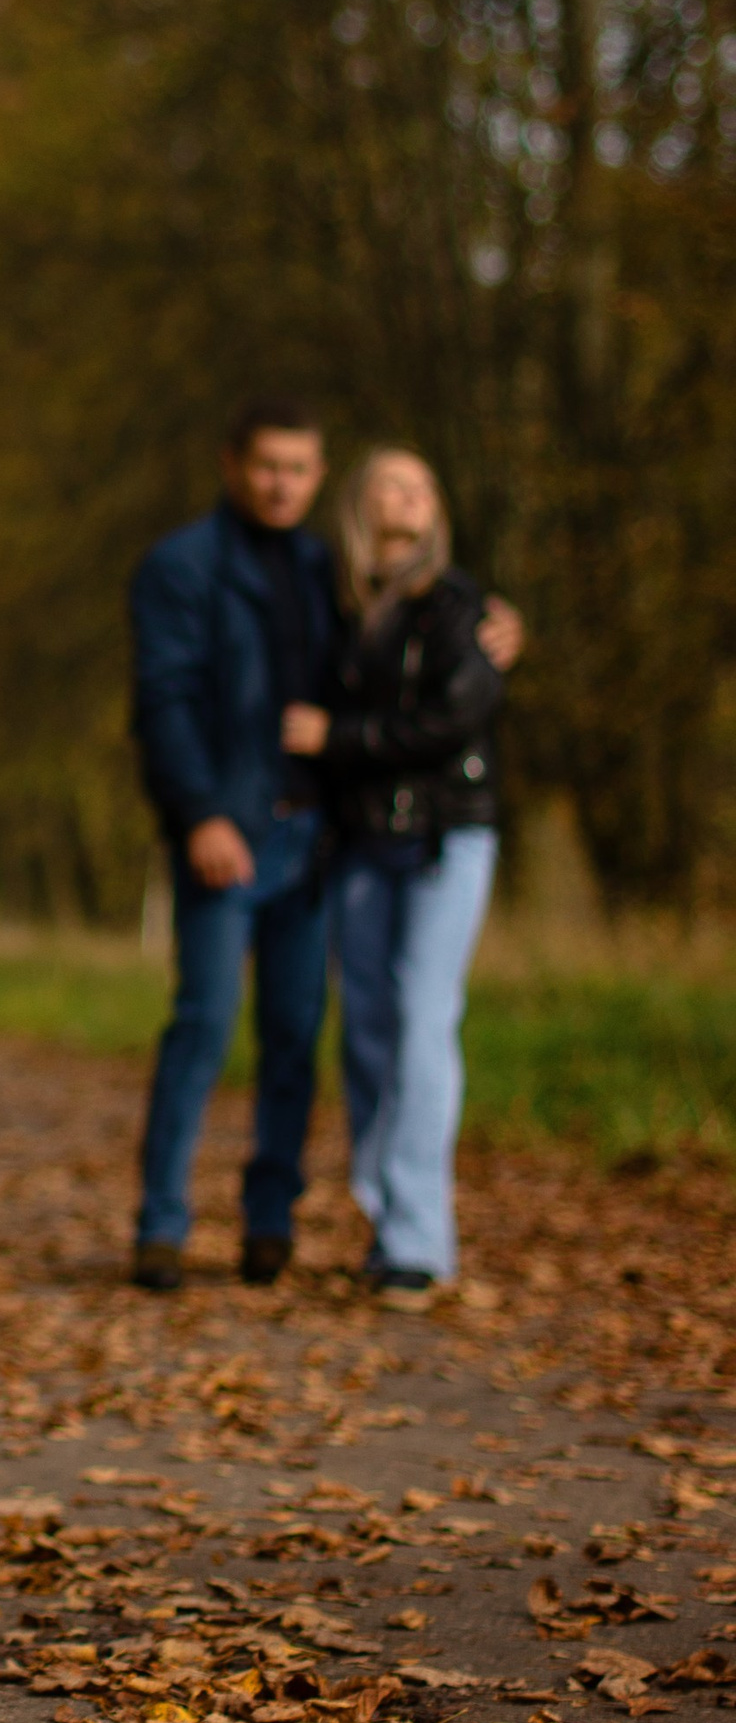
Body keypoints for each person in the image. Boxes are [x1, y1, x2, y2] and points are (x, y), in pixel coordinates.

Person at [278, 448, 502, 1304]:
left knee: (422, 1019)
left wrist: (336, 739)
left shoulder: (460, 605)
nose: (407, 498)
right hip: (363, 842)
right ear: (359, 506)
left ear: (436, 509)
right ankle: (384, 1217)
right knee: (367, 1031)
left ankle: (417, 1239)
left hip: (448, 835)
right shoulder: (340, 612)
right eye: (390, 485)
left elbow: (455, 717)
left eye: (420, 486)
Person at [127, 397, 341, 1292]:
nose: (281, 484)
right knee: (205, 1022)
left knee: (294, 1034)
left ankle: (269, 1222)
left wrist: (496, 626)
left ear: (318, 475)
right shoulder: (181, 566)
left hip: (314, 838)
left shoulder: (328, 568)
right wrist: (201, 815)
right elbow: (163, 702)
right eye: (267, 467)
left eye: (298, 469)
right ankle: (162, 1225)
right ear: (232, 465)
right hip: (226, 833)